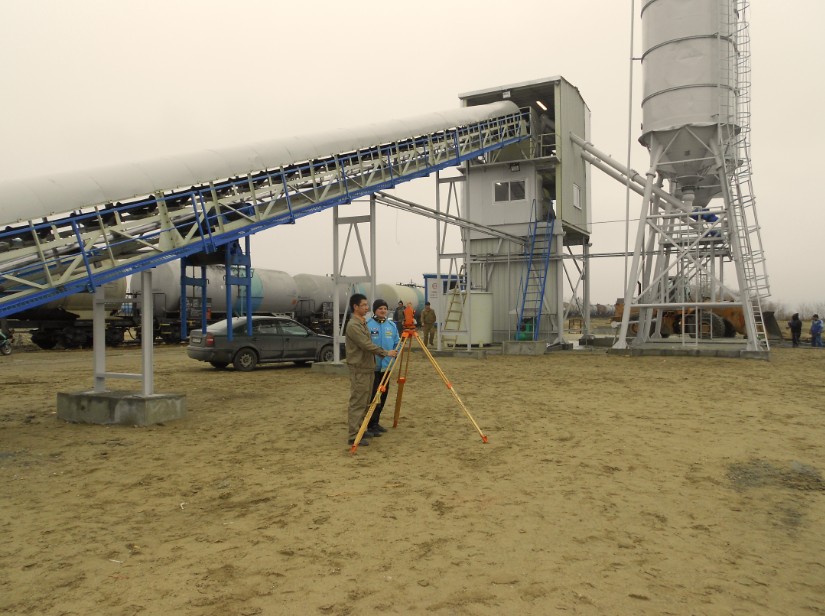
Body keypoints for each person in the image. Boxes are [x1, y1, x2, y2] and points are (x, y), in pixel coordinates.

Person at [345, 293, 397, 446]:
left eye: (367, 305)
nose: (367, 308)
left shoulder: (363, 323)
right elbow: (366, 344)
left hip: (369, 367)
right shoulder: (354, 325)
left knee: (368, 400)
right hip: (360, 368)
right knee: (358, 401)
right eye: (364, 305)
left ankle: (362, 429)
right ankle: (354, 435)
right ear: (356, 307)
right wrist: (385, 352)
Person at [366, 299, 400, 434]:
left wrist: (394, 355)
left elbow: (398, 343)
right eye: (380, 308)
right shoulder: (368, 325)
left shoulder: (391, 326)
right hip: (373, 367)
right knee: (374, 396)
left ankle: (376, 422)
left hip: (386, 368)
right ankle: (369, 424)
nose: (383, 311)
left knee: (384, 395)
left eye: (385, 308)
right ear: (375, 310)